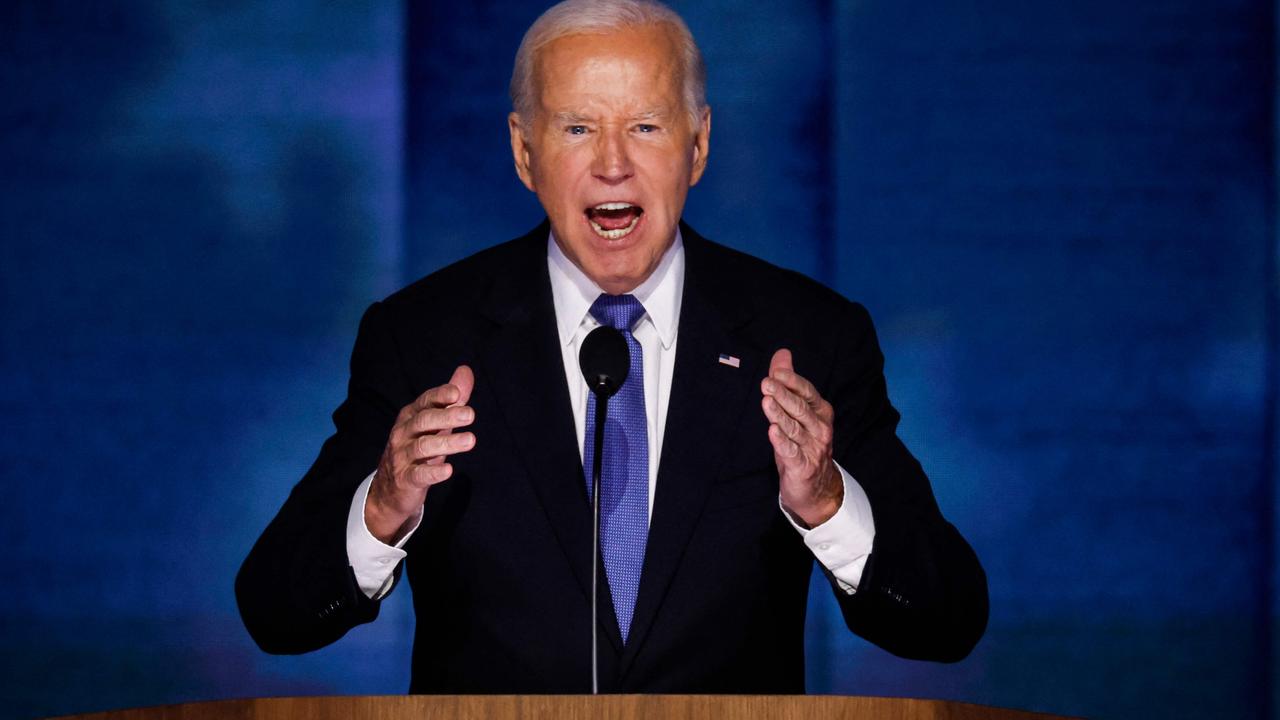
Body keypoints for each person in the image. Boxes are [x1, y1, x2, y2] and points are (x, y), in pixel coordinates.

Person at [236, 0, 986, 693]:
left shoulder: (808, 337)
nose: (613, 164)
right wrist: (381, 508)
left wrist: (827, 504)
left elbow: (949, 619)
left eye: (647, 126)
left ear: (698, 146)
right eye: (577, 128)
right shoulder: (424, 338)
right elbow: (276, 610)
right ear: (524, 152)